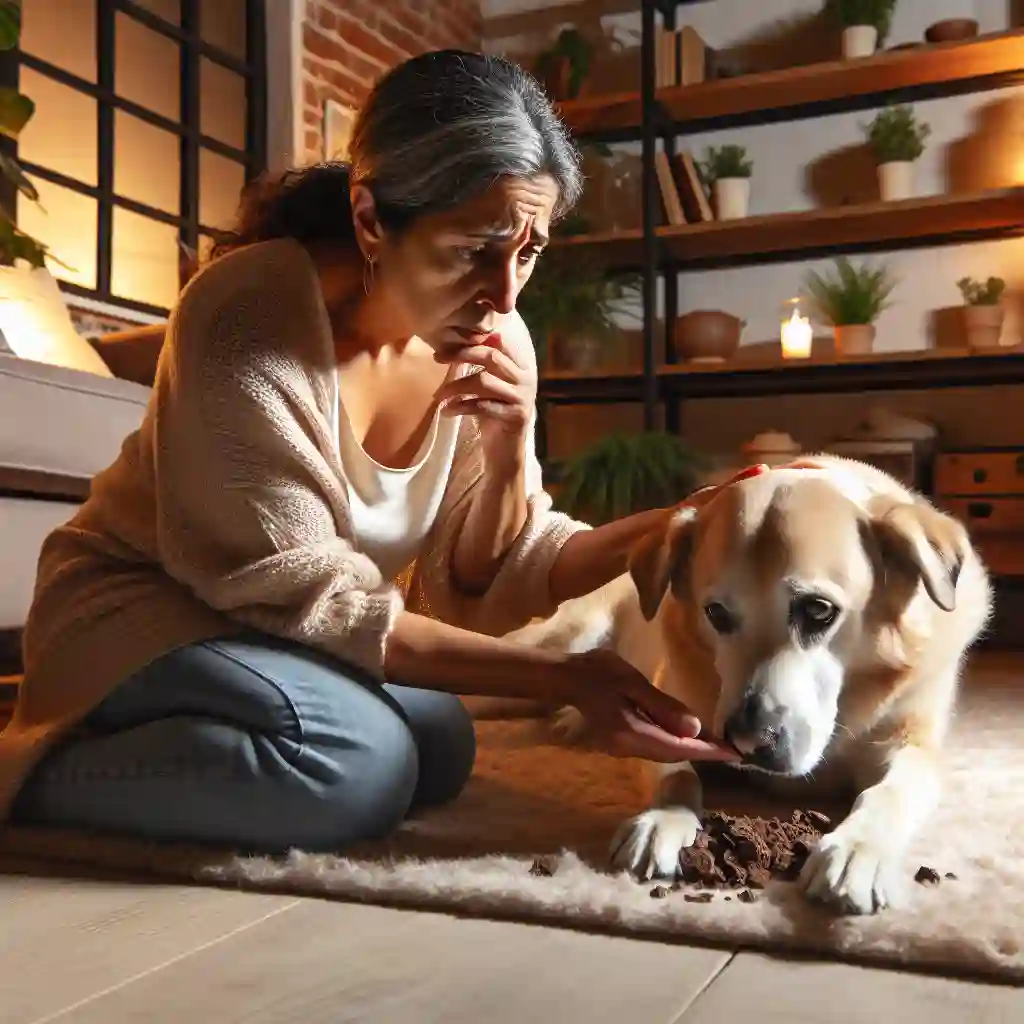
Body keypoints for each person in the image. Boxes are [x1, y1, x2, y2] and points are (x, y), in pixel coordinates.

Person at [0, 50, 751, 855]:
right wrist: (567, 677)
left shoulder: (492, 335)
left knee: (442, 741)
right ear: (369, 221)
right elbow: (314, 598)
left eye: (528, 252)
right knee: (359, 762)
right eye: (472, 249)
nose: (504, 292)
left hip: (269, 635)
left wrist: (678, 517)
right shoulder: (247, 318)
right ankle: (26, 770)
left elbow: (499, 577)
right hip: (141, 615)